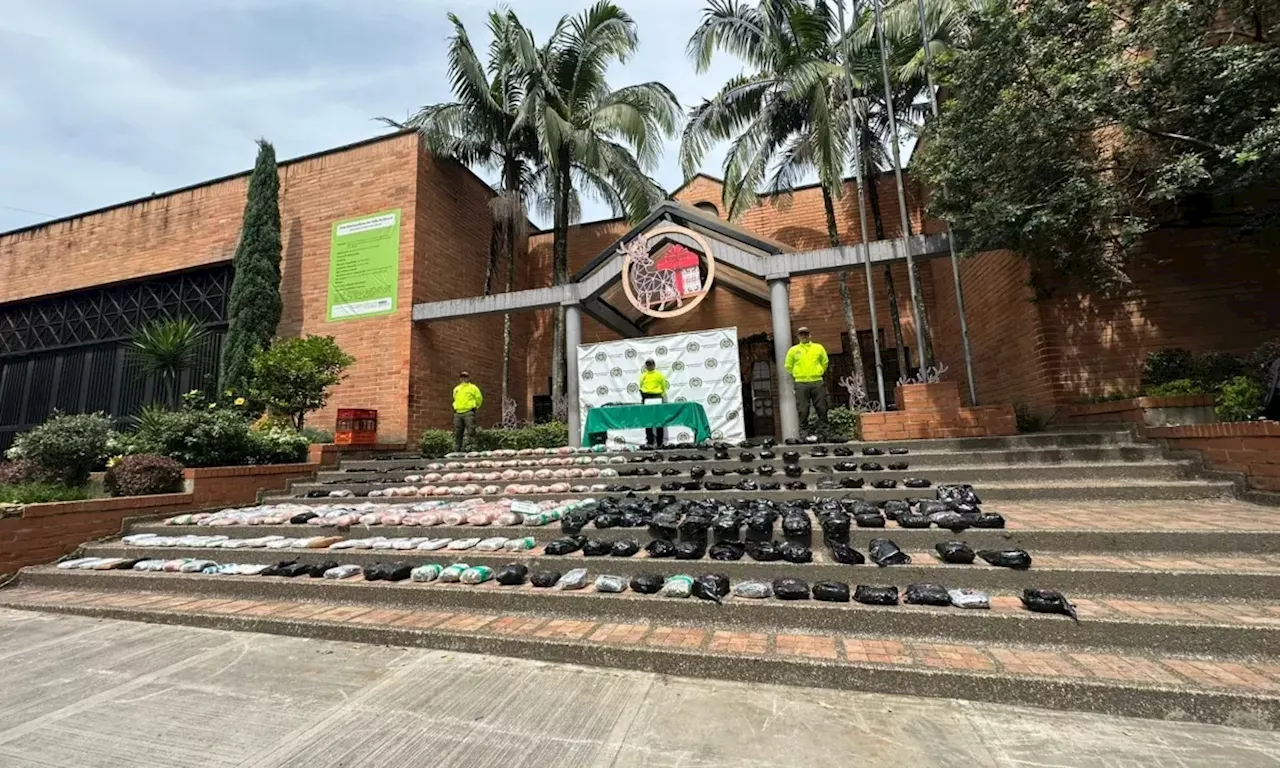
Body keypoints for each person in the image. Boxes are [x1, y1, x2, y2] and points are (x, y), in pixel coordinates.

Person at [785, 326, 829, 435]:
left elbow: (825, 362)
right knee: (803, 409)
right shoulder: (793, 350)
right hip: (801, 383)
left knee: (822, 407)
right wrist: (798, 374)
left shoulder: (818, 348)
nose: (803, 336)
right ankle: (804, 433)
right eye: (801, 334)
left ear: (809, 335)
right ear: (798, 336)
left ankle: (825, 431)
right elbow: (788, 366)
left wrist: (819, 372)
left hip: (817, 381)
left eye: (805, 334)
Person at [638, 358, 669, 447]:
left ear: (654, 365)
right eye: (647, 365)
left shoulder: (659, 375)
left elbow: (663, 386)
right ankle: (650, 441)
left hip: (657, 396)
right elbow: (640, 385)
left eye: (651, 364)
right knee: (647, 421)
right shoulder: (643, 375)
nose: (649, 366)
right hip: (646, 396)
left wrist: (661, 395)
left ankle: (660, 442)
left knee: (659, 420)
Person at [451, 371, 483, 452]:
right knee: (458, 432)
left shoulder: (473, 388)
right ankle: (457, 449)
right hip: (458, 413)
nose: (463, 379)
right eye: (462, 377)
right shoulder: (456, 389)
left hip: (468, 412)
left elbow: (479, 399)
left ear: (468, 378)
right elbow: (455, 398)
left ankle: (473, 448)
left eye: (465, 377)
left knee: (471, 431)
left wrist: (475, 407)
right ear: (460, 378)